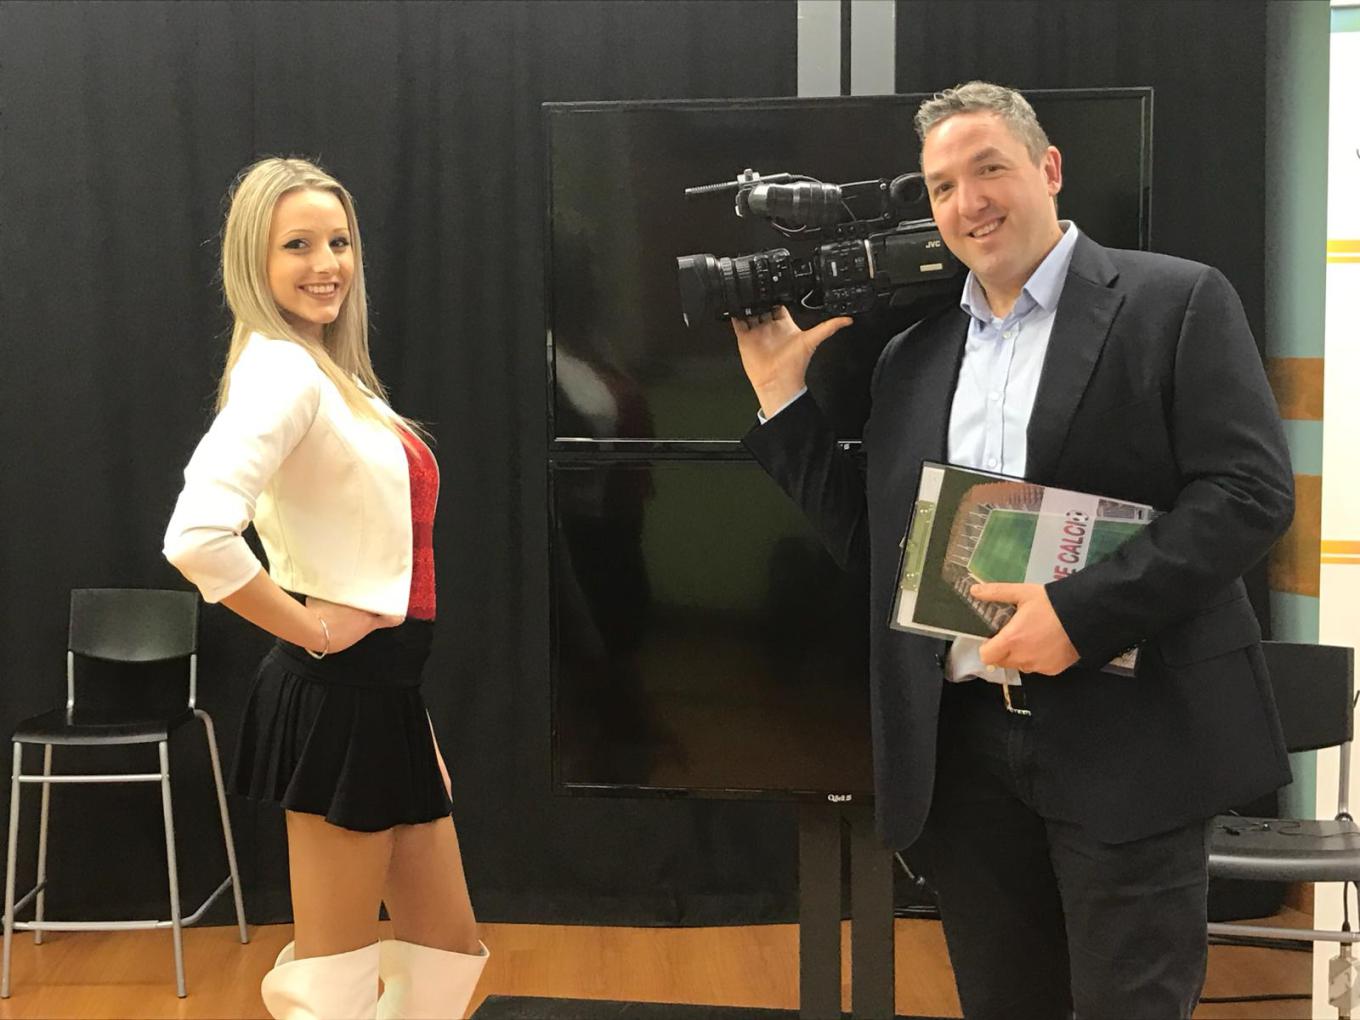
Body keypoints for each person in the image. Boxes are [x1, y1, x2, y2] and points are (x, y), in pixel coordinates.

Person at [733, 82, 1293, 1019]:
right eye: (942, 186)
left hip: (1129, 739)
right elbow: (883, 549)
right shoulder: (914, 355)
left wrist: (1079, 614)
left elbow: (1249, 494)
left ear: (1049, 167)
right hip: (965, 753)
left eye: (988, 168)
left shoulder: (1175, 300)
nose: (969, 201)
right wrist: (780, 399)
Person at [163, 157, 487, 1020]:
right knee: (337, 986)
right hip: (338, 701)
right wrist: (310, 628)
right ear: (254, 262)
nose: (327, 263)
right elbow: (196, 536)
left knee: (445, 958)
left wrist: (412, 717)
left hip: (385, 696)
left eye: (338, 241)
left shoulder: (326, 372)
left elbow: (378, 569)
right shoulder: (282, 372)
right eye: (297, 245)